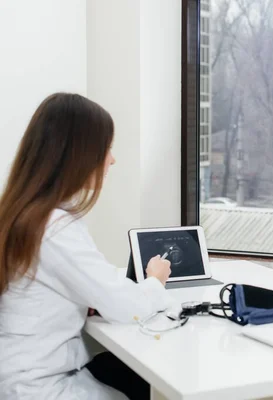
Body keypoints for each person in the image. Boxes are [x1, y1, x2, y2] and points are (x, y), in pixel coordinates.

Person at [0, 93, 173, 400]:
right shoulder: (54, 226)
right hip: (40, 387)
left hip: (22, 374)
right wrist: (155, 281)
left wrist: (87, 297)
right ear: (79, 154)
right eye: (106, 148)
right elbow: (127, 307)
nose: (112, 159)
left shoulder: (22, 212)